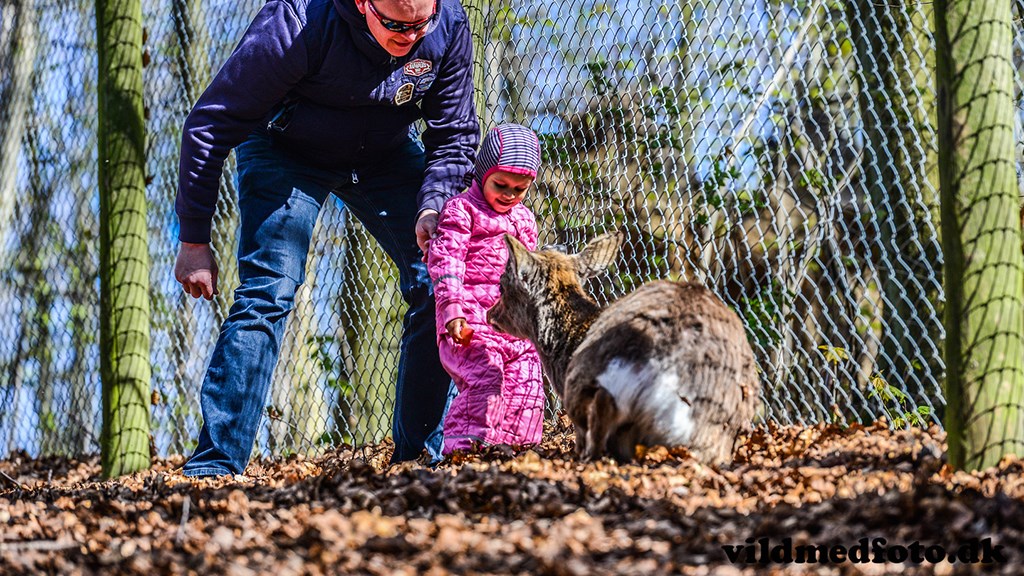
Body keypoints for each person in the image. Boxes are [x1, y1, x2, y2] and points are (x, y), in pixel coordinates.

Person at [173, 0, 480, 476]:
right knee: (269, 289)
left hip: (384, 153)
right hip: (286, 149)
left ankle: (417, 459)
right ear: (362, 4)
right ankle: (215, 466)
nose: (410, 36)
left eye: (421, 24)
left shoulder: (450, 24)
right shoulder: (296, 24)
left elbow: (455, 133)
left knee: (439, 281)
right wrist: (194, 238)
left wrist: (434, 202)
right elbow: (209, 125)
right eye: (396, 25)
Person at [427, 123, 546, 454]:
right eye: (501, 184)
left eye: (519, 189)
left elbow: (530, 273)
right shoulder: (461, 211)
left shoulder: (524, 221)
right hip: (470, 324)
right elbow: (446, 262)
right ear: (483, 175)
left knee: (528, 382)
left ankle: (517, 452)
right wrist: (452, 310)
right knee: (485, 378)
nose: (509, 194)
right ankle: (465, 451)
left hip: (513, 325)